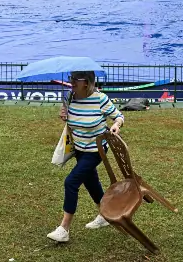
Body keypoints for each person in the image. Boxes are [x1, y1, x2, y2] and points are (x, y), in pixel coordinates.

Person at [47, 71, 124, 243]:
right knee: (91, 183)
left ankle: (64, 229)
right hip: (79, 148)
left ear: (87, 82)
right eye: (70, 78)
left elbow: (119, 116)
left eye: (76, 79)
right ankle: (105, 216)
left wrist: (116, 125)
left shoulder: (100, 99)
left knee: (71, 182)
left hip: (96, 150)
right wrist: (64, 115)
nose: (72, 82)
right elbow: (71, 119)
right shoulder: (69, 97)